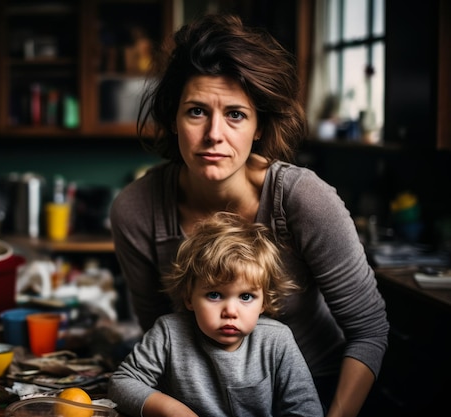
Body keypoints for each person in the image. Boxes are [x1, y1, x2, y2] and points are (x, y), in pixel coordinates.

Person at [109, 13, 389, 417]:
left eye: (236, 114)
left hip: (320, 392)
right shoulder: (136, 210)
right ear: (173, 119)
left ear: (259, 126)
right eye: (196, 111)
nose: (214, 135)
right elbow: (164, 333)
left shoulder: (303, 199)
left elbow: (369, 330)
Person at [108, 212, 324, 417]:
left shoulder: (277, 340)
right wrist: (171, 409)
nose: (230, 311)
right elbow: (122, 383)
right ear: (189, 298)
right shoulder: (169, 332)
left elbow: (306, 410)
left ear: (264, 303)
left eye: (246, 297)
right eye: (214, 295)